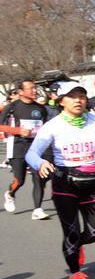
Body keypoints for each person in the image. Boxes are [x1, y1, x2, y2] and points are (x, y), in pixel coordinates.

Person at [25, 82, 95, 279]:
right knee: (72, 232)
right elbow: (32, 154)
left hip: (93, 183)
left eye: (82, 96)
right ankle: (75, 273)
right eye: (72, 96)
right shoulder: (53, 126)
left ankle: (77, 247)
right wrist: (41, 163)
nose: (78, 100)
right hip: (65, 184)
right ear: (61, 101)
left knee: (94, 234)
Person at [0, 79, 52, 219]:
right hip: (17, 146)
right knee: (20, 179)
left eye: (35, 88)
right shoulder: (12, 107)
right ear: (21, 92)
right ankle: (10, 194)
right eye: (30, 88)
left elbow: (46, 128)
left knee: (38, 176)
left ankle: (37, 209)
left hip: (35, 148)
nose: (34, 90)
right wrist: (17, 130)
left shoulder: (41, 108)